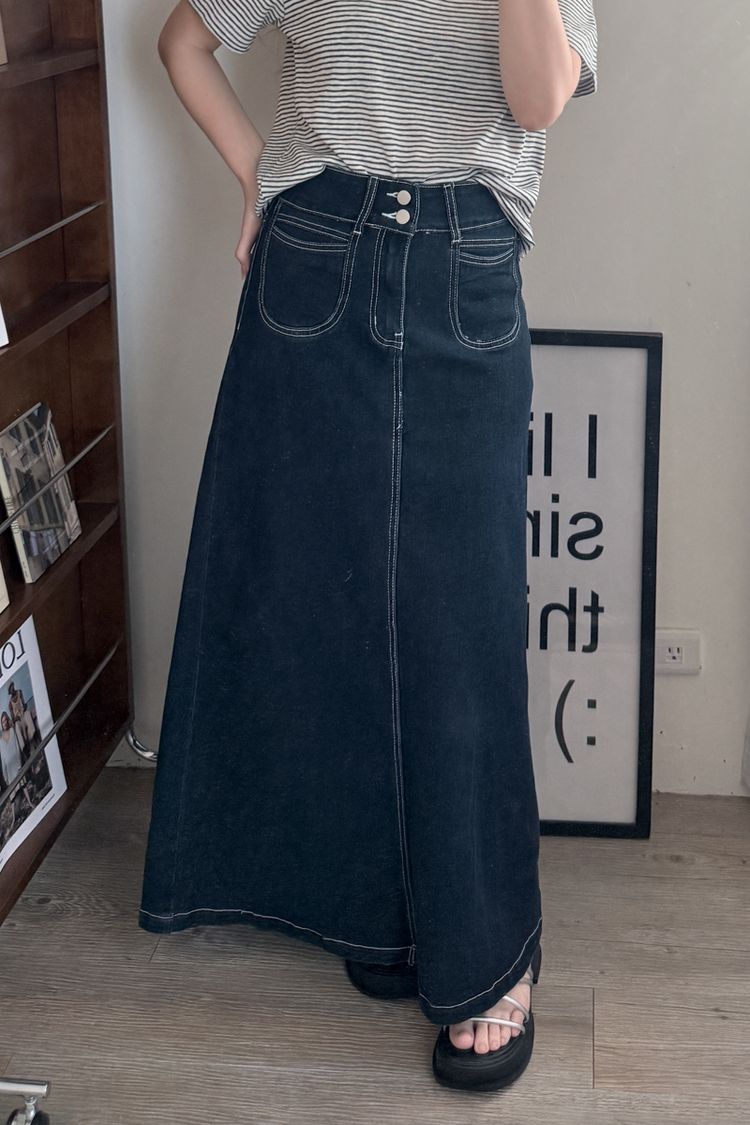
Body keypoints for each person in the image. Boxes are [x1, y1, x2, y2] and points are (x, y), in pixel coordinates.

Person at [139, 0, 598, 1093]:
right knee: (318, 597)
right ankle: (381, 908)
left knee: (461, 623)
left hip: (465, 262)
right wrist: (257, 178)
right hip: (313, 254)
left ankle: (487, 954)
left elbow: (539, 100)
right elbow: (182, 43)